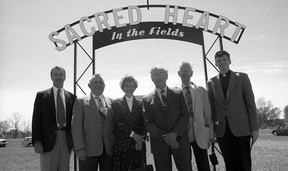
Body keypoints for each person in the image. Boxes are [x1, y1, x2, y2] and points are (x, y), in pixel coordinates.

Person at [207, 50, 259, 171]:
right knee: (229, 163)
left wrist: (254, 129)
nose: (222, 63)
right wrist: (212, 131)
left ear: (229, 61)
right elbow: (212, 109)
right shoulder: (211, 82)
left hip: (242, 129)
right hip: (223, 131)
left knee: (244, 163)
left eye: (224, 60)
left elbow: (250, 104)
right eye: (219, 61)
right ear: (215, 63)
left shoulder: (242, 78)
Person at [142, 66, 192, 171]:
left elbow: (185, 115)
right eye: (155, 74)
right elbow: (148, 123)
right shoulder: (146, 100)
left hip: (180, 142)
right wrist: (167, 138)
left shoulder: (178, 93)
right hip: (160, 146)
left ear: (167, 76)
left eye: (161, 73)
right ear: (151, 78)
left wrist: (174, 134)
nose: (158, 76)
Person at [32, 66, 77, 171]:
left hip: (66, 140)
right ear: (51, 77)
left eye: (61, 74)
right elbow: (36, 120)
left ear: (65, 77)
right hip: (48, 141)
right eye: (55, 74)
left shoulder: (72, 97)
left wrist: (75, 142)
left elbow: (74, 122)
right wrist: (37, 141)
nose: (58, 77)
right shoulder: (41, 96)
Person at [71, 74, 114, 171]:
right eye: (95, 82)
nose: (98, 84)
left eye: (101, 82)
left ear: (104, 85)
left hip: (108, 149)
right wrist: (79, 148)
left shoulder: (112, 102)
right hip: (87, 150)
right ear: (89, 86)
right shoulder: (80, 102)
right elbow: (76, 127)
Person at [178, 62, 213, 171]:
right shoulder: (174, 92)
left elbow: (208, 114)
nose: (185, 74)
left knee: (204, 165)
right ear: (178, 73)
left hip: (200, 133)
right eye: (182, 72)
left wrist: (210, 133)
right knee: (185, 166)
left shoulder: (201, 90)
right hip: (183, 135)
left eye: (187, 71)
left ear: (191, 73)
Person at [111, 75, 147, 171]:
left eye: (131, 85)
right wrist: (133, 135)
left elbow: (144, 123)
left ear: (135, 87)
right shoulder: (116, 103)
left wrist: (139, 140)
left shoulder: (141, 103)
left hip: (138, 145)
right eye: (126, 85)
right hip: (122, 145)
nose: (129, 88)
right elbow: (119, 123)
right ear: (122, 88)